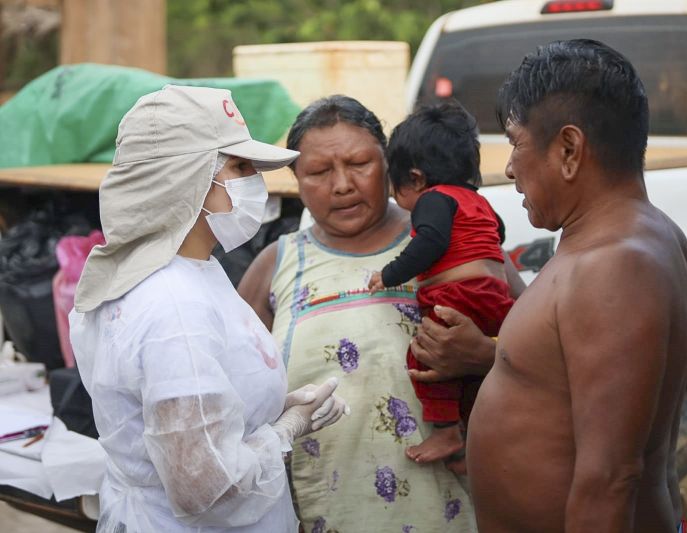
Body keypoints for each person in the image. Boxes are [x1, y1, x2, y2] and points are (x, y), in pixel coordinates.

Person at [69, 85, 348, 533]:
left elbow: (188, 420)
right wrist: (285, 430)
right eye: (239, 166)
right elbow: (205, 489)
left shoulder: (183, 272)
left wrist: (272, 411)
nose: (256, 181)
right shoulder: (174, 307)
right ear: (189, 176)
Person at [239, 95, 522, 532]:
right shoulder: (275, 266)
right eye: (318, 171)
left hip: (452, 510)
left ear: (391, 166)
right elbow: (237, 402)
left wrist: (486, 355)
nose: (342, 185)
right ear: (295, 178)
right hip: (325, 512)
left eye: (359, 164)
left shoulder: (457, 240)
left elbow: (545, 359)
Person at [466, 40, 687, 533]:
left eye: (516, 142)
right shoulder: (630, 239)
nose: (510, 167)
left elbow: (611, 479)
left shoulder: (615, 267)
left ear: (569, 150)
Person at [368, 102, 514, 464]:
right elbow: (499, 232)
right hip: (496, 295)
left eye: (395, 188)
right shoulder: (477, 200)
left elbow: (429, 243)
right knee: (468, 372)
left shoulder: (433, 199)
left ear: (415, 178)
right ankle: (473, 433)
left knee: (425, 354)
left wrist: (388, 274)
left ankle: (446, 431)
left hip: (458, 294)